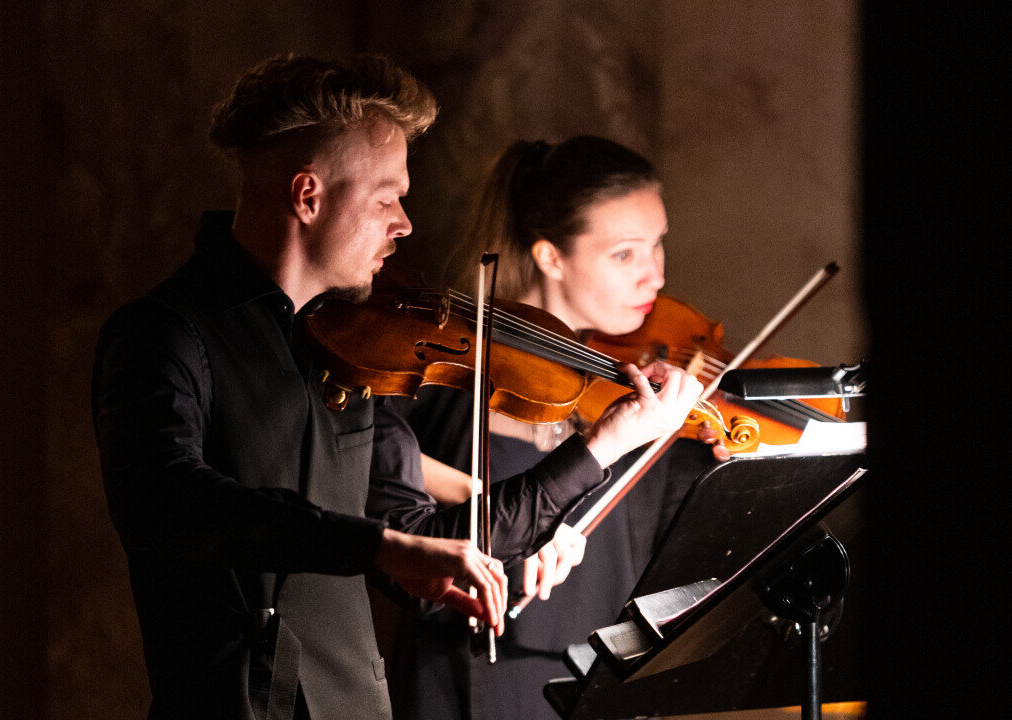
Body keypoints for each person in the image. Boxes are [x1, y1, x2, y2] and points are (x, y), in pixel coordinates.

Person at [92, 55, 701, 720]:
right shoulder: (165, 333)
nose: (405, 223)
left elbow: (411, 547)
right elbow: (168, 506)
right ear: (307, 196)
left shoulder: (350, 354)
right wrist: (380, 546)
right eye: (386, 198)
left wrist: (462, 559)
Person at [369, 136, 713, 720]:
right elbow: (376, 489)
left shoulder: (619, 387)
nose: (654, 276)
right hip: (474, 682)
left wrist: (707, 454)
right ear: (551, 257)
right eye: (625, 254)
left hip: (595, 678)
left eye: (658, 246)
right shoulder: (451, 380)